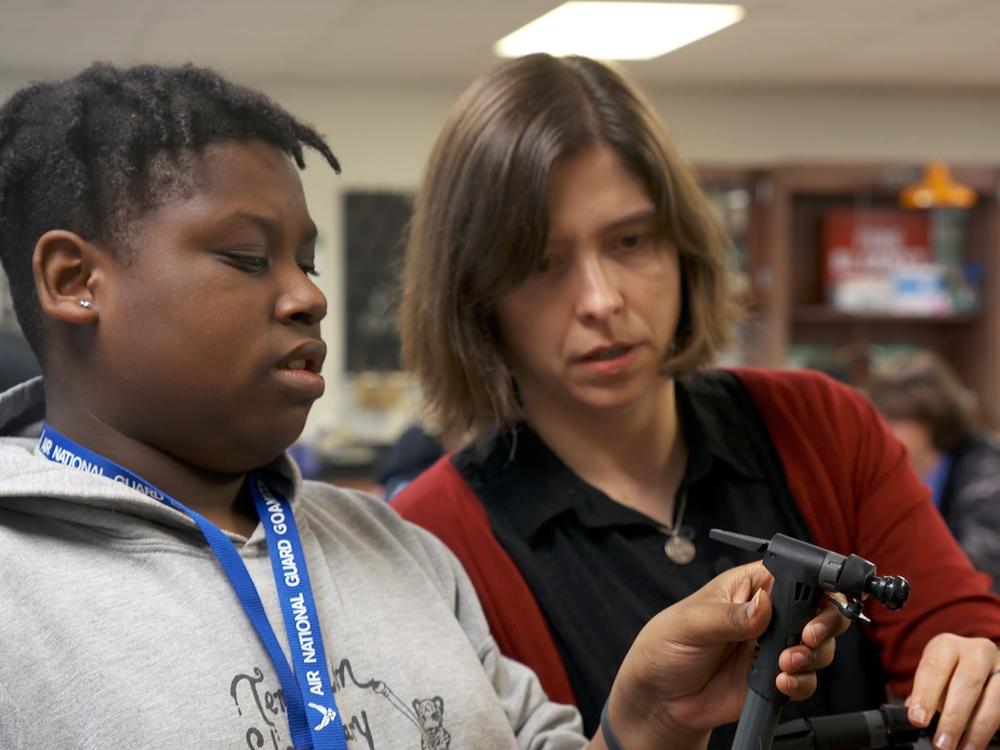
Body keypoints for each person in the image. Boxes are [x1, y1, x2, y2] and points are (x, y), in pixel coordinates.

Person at [0, 62, 844, 750]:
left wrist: (647, 723)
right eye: (247, 258)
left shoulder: (400, 549)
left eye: (307, 261)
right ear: (77, 282)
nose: (307, 297)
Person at [392, 53, 1000, 750]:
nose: (602, 300)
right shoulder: (432, 539)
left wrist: (974, 670)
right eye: (542, 263)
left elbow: (957, 632)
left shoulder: (822, 425)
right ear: (475, 294)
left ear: (682, 245)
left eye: (630, 241)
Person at [868, 350, 1000, 592]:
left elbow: (981, 559)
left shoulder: (986, 465)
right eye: (881, 417)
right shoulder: (893, 471)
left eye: (896, 417)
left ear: (932, 417)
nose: (884, 429)